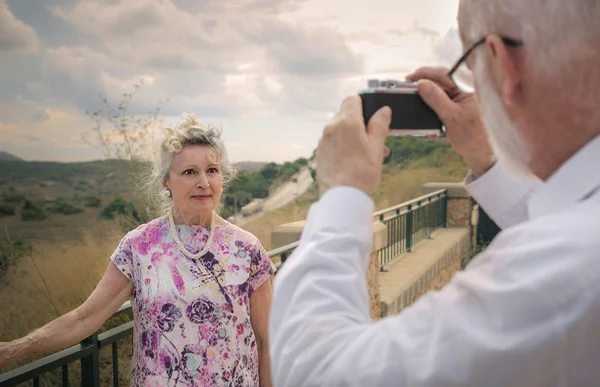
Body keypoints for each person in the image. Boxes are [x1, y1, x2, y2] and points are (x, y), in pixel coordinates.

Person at [268, 0, 600, 386]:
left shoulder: (559, 273)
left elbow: (318, 371)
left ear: (502, 64)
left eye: (471, 68)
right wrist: (485, 153)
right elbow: (566, 221)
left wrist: (343, 192)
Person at [0, 114, 276, 387]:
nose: (204, 182)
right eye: (190, 172)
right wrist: (19, 347)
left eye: (212, 170)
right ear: (166, 182)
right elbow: (84, 318)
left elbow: (267, 344)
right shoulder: (140, 246)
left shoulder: (246, 249)